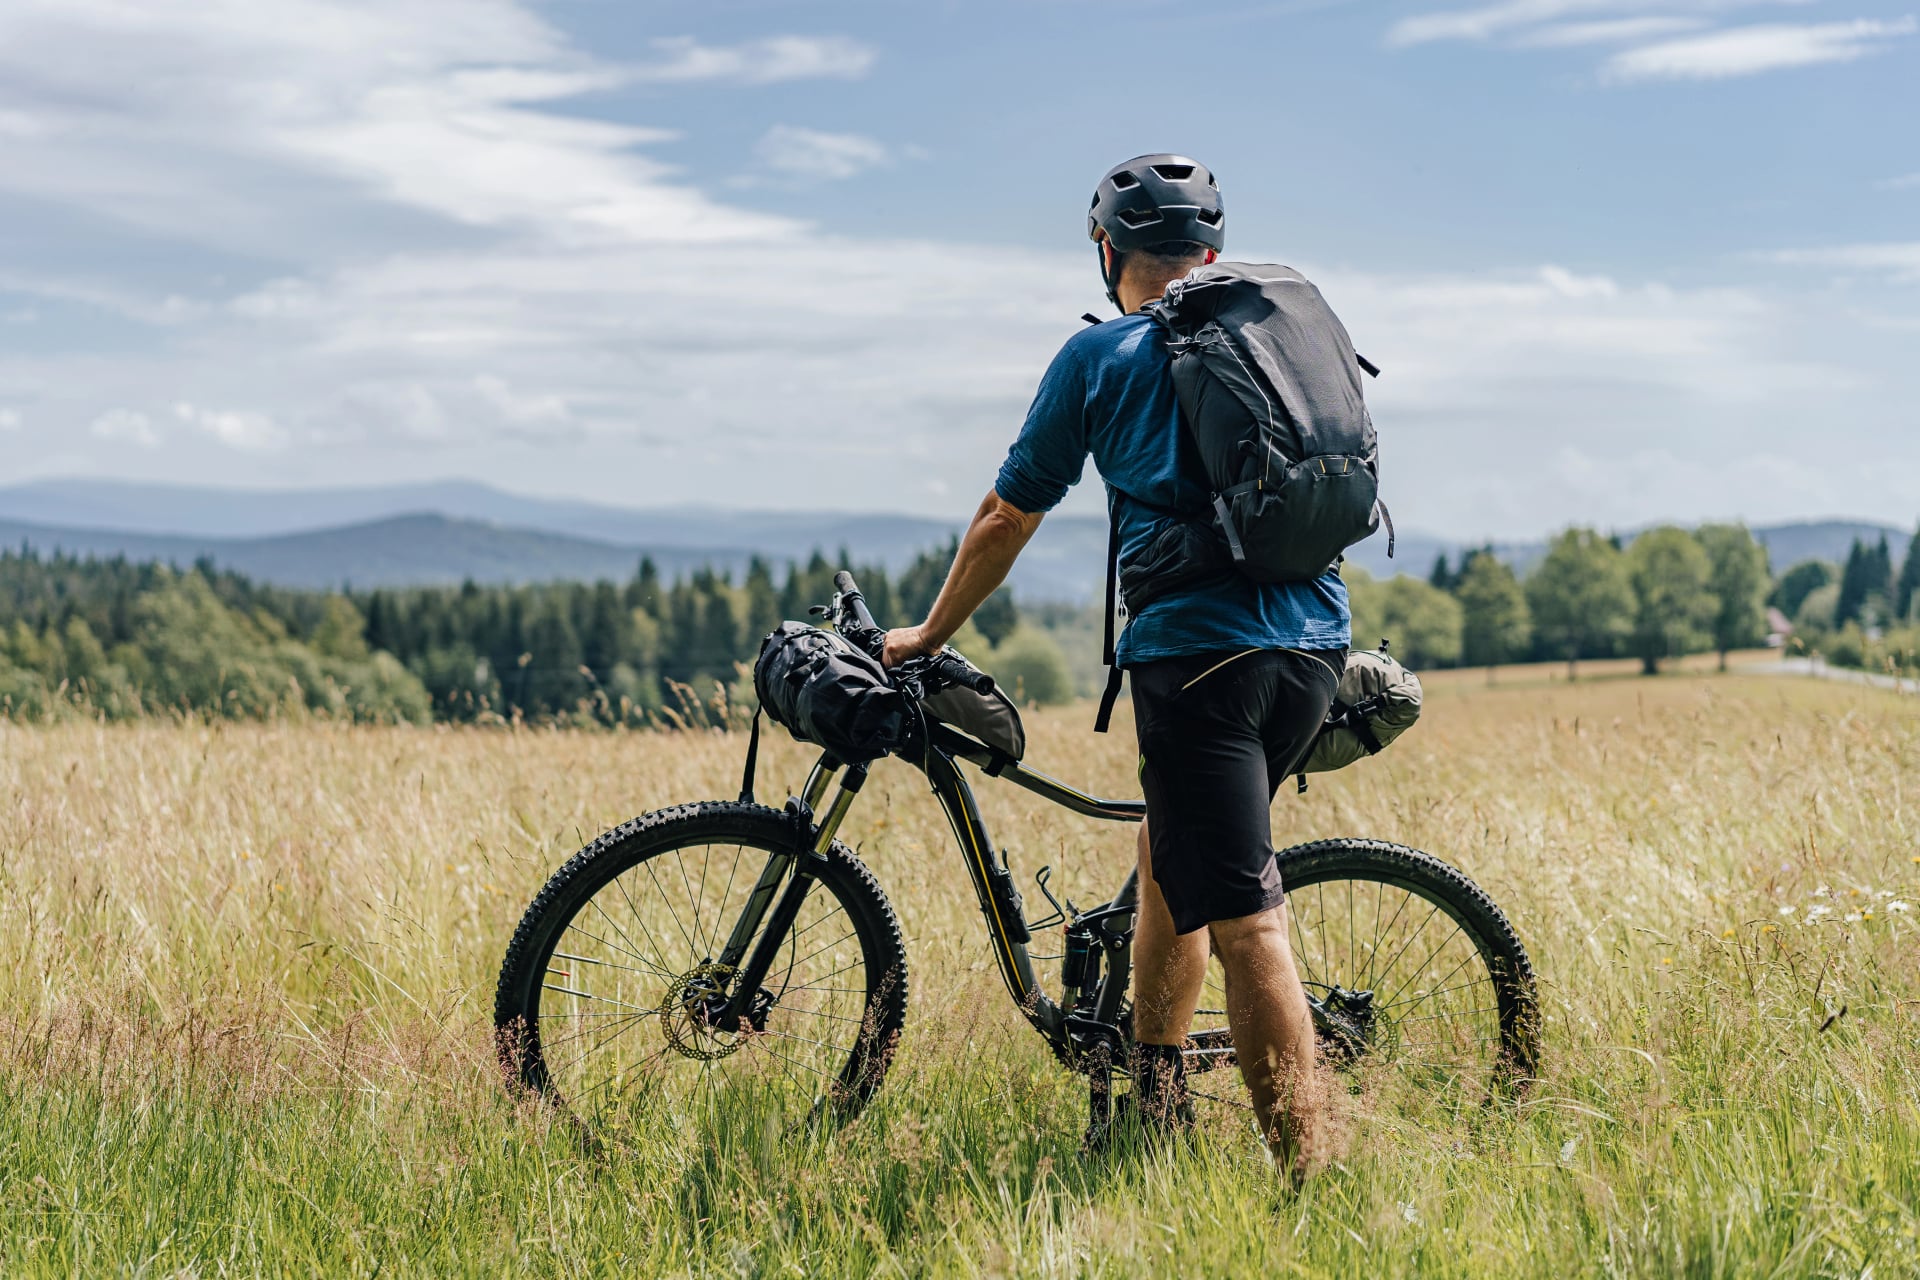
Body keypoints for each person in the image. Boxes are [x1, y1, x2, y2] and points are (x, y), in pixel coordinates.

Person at [881, 154, 1351, 1180]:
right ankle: (1155, 1091)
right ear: (1211, 252)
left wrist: (925, 633)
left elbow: (1009, 513)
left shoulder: (1100, 361)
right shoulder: (1274, 327)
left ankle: (1314, 1184)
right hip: (1313, 646)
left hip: (1198, 665)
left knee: (1246, 920)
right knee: (1167, 855)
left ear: (1108, 252)